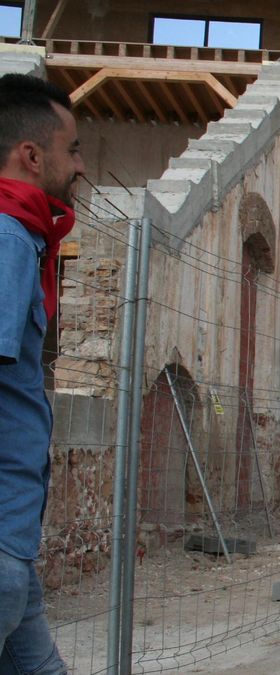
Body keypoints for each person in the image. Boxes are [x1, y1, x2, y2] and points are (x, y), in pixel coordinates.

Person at [0, 73, 84, 675]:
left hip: (14, 537)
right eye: (72, 149)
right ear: (32, 155)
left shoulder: (25, 237)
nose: (79, 165)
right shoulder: (8, 238)